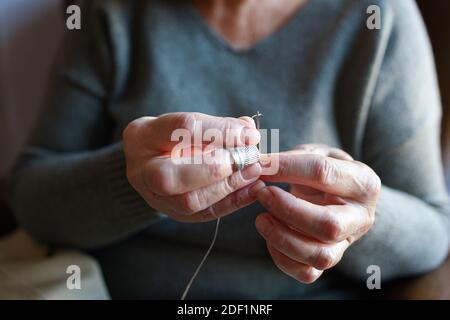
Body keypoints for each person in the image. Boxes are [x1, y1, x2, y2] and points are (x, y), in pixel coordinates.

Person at [8, 0, 450, 299]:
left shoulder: (378, 17)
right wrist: (131, 180)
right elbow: (31, 197)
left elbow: (433, 228)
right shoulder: (112, 15)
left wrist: (358, 217)